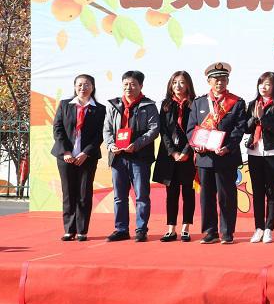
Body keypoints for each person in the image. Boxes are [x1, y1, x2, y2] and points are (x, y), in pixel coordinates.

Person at [187, 62, 247, 244]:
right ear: (209, 81)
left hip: (226, 156)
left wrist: (227, 147)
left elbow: (239, 129)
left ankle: (227, 232)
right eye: (216, 79)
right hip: (204, 157)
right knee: (206, 197)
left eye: (223, 79)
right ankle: (210, 232)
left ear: (227, 81)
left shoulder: (237, 102)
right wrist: (196, 145)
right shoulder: (199, 102)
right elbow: (191, 129)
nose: (219, 82)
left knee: (226, 196)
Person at [103, 70, 159, 242]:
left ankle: (141, 229)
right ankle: (121, 229)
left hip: (139, 157)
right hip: (118, 157)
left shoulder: (148, 105)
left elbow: (154, 130)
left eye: (133, 84)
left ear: (141, 86)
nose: (129, 87)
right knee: (119, 196)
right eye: (126, 84)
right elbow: (107, 129)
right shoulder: (113, 105)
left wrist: (137, 144)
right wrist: (111, 145)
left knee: (141, 195)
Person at [51, 74, 105, 241]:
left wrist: (86, 152)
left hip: (87, 158)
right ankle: (69, 230)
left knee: (84, 193)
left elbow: (100, 134)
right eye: (80, 84)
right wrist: (66, 152)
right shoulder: (65, 105)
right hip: (65, 157)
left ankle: (82, 230)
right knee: (68, 193)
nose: (83, 88)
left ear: (93, 87)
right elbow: (58, 129)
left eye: (87, 84)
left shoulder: (100, 109)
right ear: (75, 87)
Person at [152, 71, 196, 242]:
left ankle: (186, 228)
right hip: (169, 156)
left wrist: (185, 151)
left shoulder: (194, 104)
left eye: (182, 82)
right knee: (171, 193)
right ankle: (171, 229)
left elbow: (196, 130)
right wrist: (173, 152)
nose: (178, 86)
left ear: (188, 85)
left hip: (188, 155)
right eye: (175, 82)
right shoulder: (165, 104)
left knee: (188, 192)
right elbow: (163, 131)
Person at [245, 71, 274, 243]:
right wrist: (255, 118)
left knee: (272, 192)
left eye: (268, 84)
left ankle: (269, 228)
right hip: (255, 153)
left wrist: (263, 118)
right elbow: (246, 129)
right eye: (261, 83)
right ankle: (259, 228)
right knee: (257, 192)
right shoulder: (252, 104)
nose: (263, 87)